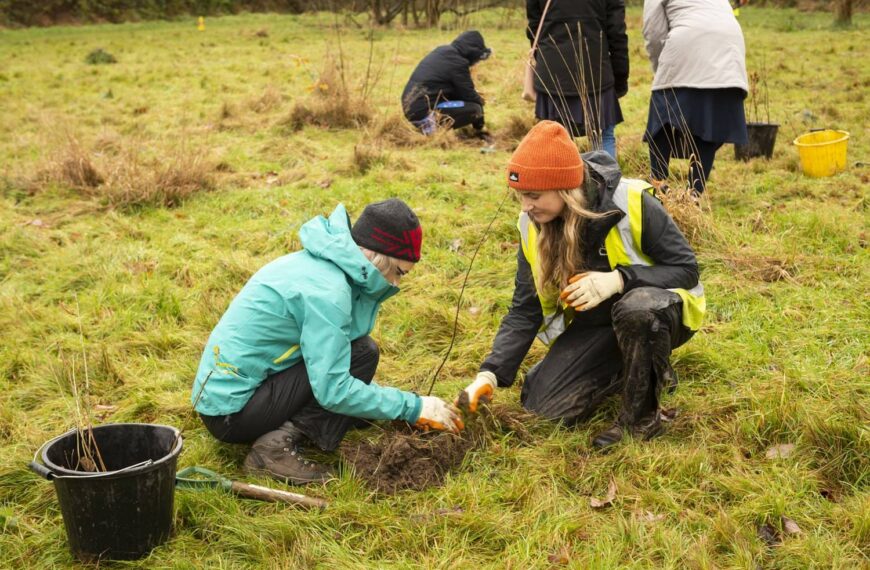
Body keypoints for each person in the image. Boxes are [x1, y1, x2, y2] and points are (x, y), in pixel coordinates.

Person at [457, 121, 705, 449]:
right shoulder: (532, 223)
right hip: (598, 325)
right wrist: (489, 374)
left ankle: (640, 420)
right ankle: (638, 367)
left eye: (533, 196)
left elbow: (686, 269)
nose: (525, 206)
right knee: (542, 407)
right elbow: (525, 308)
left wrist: (619, 280)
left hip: (659, 314)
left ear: (564, 188)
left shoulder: (629, 200)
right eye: (519, 196)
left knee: (636, 308)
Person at [191, 199, 463, 484]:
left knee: (363, 352)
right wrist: (412, 406)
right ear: (377, 259)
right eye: (398, 273)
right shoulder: (328, 293)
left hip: (236, 391)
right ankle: (273, 451)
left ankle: (333, 417)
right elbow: (332, 389)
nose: (396, 285)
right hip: (231, 412)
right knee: (353, 366)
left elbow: (342, 347)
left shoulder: (325, 264)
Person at [642, 0, 749, 196]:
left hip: (688, 42)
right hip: (729, 46)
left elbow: (654, 33)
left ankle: (657, 185)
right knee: (710, 124)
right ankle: (694, 195)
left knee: (662, 117)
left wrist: (661, 69)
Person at [526, 0, 628, 159]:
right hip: (596, 72)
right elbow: (617, 33)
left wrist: (544, 61)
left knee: (555, 139)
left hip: (553, 72)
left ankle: (562, 183)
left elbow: (533, 28)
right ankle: (606, 182)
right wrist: (620, 77)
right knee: (603, 137)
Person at [401, 30, 492, 138]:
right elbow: (468, 95)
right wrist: (480, 109)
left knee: (470, 103)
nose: (476, 63)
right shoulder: (458, 62)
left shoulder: (442, 51)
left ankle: (429, 127)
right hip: (424, 113)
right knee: (475, 109)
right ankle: (431, 129)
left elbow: (455, 91)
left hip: (412, 110)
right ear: (472, 52)